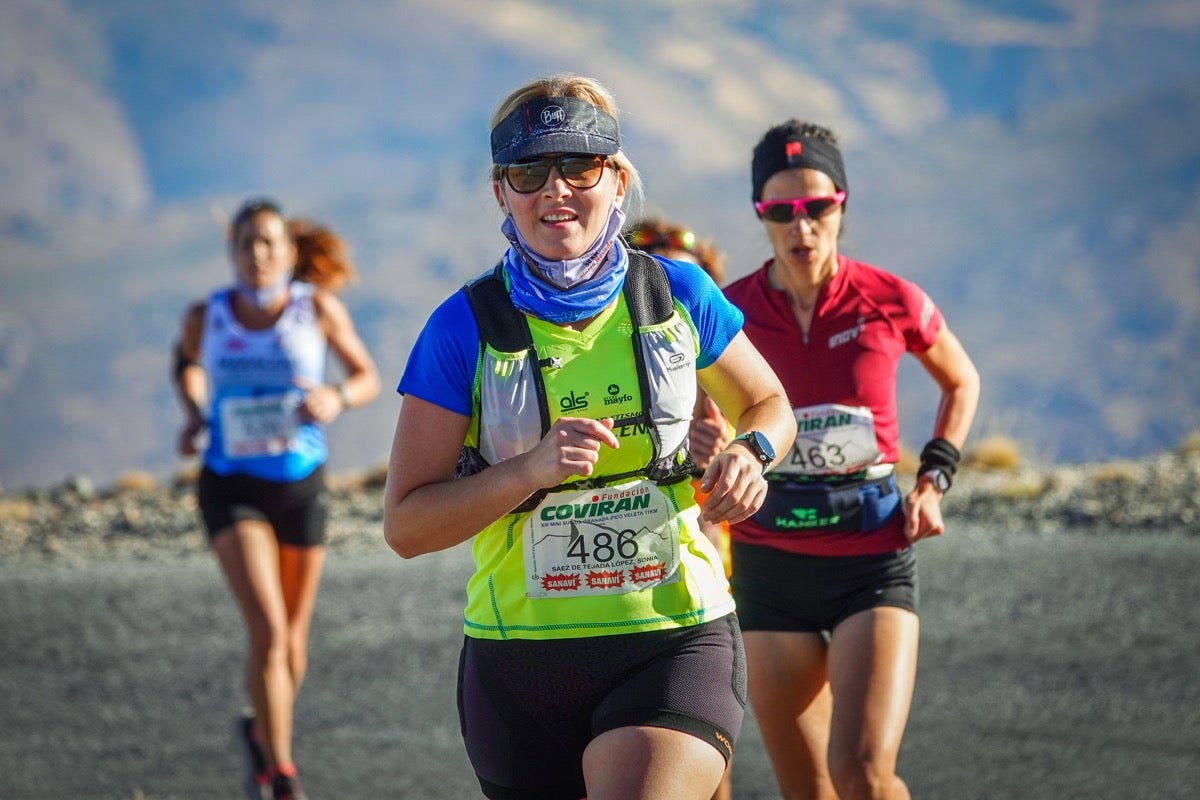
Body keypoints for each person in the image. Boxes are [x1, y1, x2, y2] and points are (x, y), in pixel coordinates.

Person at [383, 74, 796, 800]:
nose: (556, 189)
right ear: (500, 192)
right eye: (528, 171)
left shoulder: (677, 293)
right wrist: (527, 472)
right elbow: (407, 526)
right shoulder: (463, 328)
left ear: (617, 179)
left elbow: (768, 403)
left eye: (579, 165)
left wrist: (750, 451)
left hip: (674, 637)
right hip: (518, 662)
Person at [722, 119, 981, 800]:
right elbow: (693, 410)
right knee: (810, 792)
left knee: (861, 776)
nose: (801, 226)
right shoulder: (728, 311)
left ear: (842, 204)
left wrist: (934, 479)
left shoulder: (890, 298)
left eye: (817, 206)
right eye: (781, 210)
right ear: (760, 214)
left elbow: (961, 381)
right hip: (769, 567)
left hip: (870, 562)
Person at [173, 198, 380, 800]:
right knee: (266, 628)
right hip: (231, 483)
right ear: (232, 252)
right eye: (246, 243)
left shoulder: (317, 309)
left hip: (300, 486)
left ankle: (259, 733)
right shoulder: (208, 315)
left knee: (291, 644)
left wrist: (336, 398)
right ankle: (281, 775)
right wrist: (194, 413)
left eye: (269, 242)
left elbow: (366, 377)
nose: (257, 254)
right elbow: (185, 363)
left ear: (290, 252)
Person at [624, 218, 734, 573]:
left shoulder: (734, 382)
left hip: (711, 576)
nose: (676, 304)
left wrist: (724, 458)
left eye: (690, 288)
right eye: (659, 287)